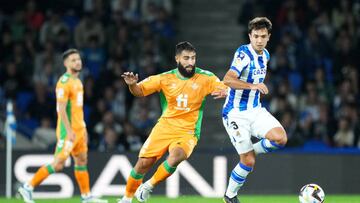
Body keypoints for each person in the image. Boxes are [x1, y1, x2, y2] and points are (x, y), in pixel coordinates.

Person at [118, 41, 227, 203]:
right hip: (164, 127)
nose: (190, 62)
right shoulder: (164, 78)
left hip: (188, 131)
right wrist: (132, 85)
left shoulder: (206, 78)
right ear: (177, 59)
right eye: (186, 58)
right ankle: (126, 199)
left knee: (177, 156)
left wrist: (226, 91)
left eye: (193, 58)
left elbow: (223, 87)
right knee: (143, 164)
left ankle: (148, 186)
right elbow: (139, 92)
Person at [18, 49, 107, 203]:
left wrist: (83, 128)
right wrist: (69, 130)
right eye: (73, 60)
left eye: (78, 59)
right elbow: (60, 109)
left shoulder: (78, 82)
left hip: (79, 130)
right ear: (66, 63)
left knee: (81, 161)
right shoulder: (63, 82)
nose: (77, 62)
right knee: (58, 164)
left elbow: (77, 110)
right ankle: (28, 187)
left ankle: (86, 197)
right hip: (68, 131)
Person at [222, 17, 288, 203]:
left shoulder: (265, 55)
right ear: (249, 36)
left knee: (280, 138)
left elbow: (231, 84)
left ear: (269, 37)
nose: (259, 40)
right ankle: (230, 195)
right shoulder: (243, 54)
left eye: (263, 36)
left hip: (255, 110)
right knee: (248, 162)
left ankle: (251, 151)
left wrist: (229, 90)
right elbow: (228, 78)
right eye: (256, 36)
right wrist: (252, 86)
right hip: (235, 114)